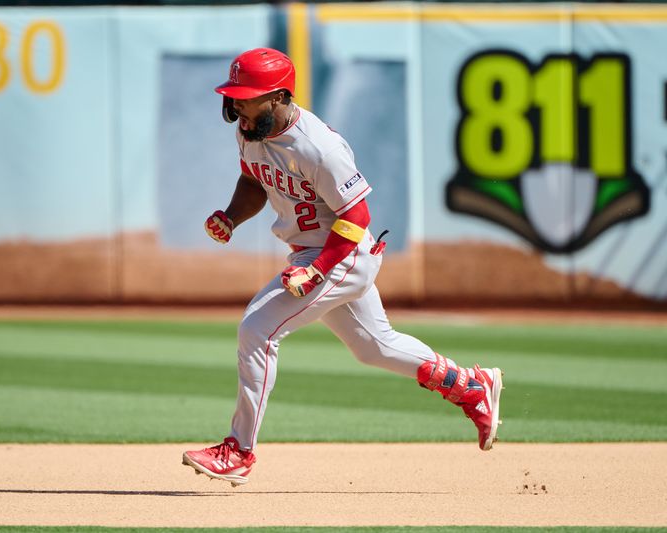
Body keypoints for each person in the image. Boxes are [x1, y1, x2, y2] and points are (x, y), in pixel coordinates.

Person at [182, 48, 503, 487]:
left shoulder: (319, 147)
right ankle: (469, 384)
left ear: (278, 96)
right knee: (374, 347)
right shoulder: (250, 130)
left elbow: (356, 217)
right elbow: (253, 179)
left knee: (257, 328)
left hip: (341, 253)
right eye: (234, 94)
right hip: (310, 253)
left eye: (247, 96)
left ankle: (238, 452)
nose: (237, 103)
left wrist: (317, 271)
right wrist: (231, 216)